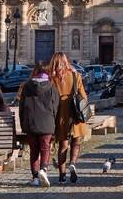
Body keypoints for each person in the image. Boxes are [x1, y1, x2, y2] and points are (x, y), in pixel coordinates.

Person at [50, 52, 91, 184]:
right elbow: (83, 97)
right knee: (76, 143)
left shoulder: (52, 78)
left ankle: (62, 176)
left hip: (61, 115)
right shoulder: (75, 75)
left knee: (63, 146)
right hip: (75, 114)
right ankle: (73, 163)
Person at [18, 64, 59, 187]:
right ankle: (44, 170)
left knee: (34, 151)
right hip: (47, 122)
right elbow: (56, 107)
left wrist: (23, 123)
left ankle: (35, 177)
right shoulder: (52, 87)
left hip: (31, 123)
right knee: (45, 148)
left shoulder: (26, 87)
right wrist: (54, 122)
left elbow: (21, 108)